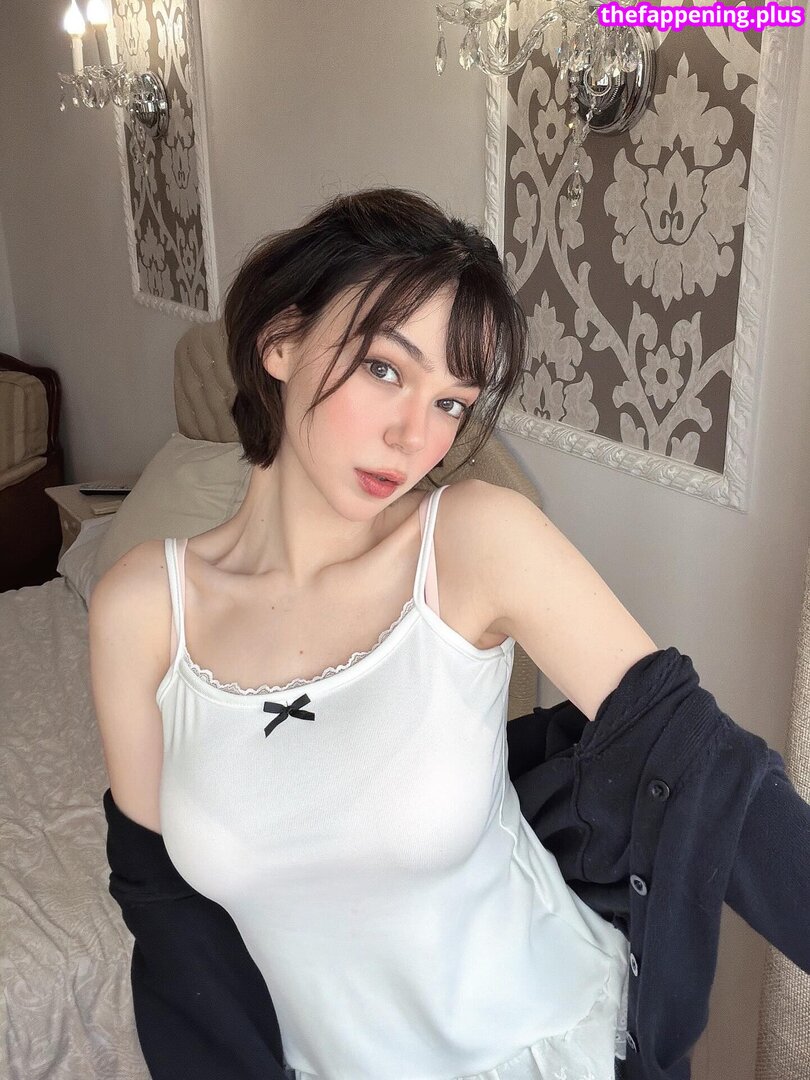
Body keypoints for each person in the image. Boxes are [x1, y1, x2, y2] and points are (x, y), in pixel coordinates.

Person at [89, 186, 672, 1080]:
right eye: (386, 370)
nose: (413, 438)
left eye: (453, 404)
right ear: (281, 342)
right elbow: (162, 900)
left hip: (543, 1043)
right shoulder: (141, 607)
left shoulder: (473, 539)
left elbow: (702, 764)